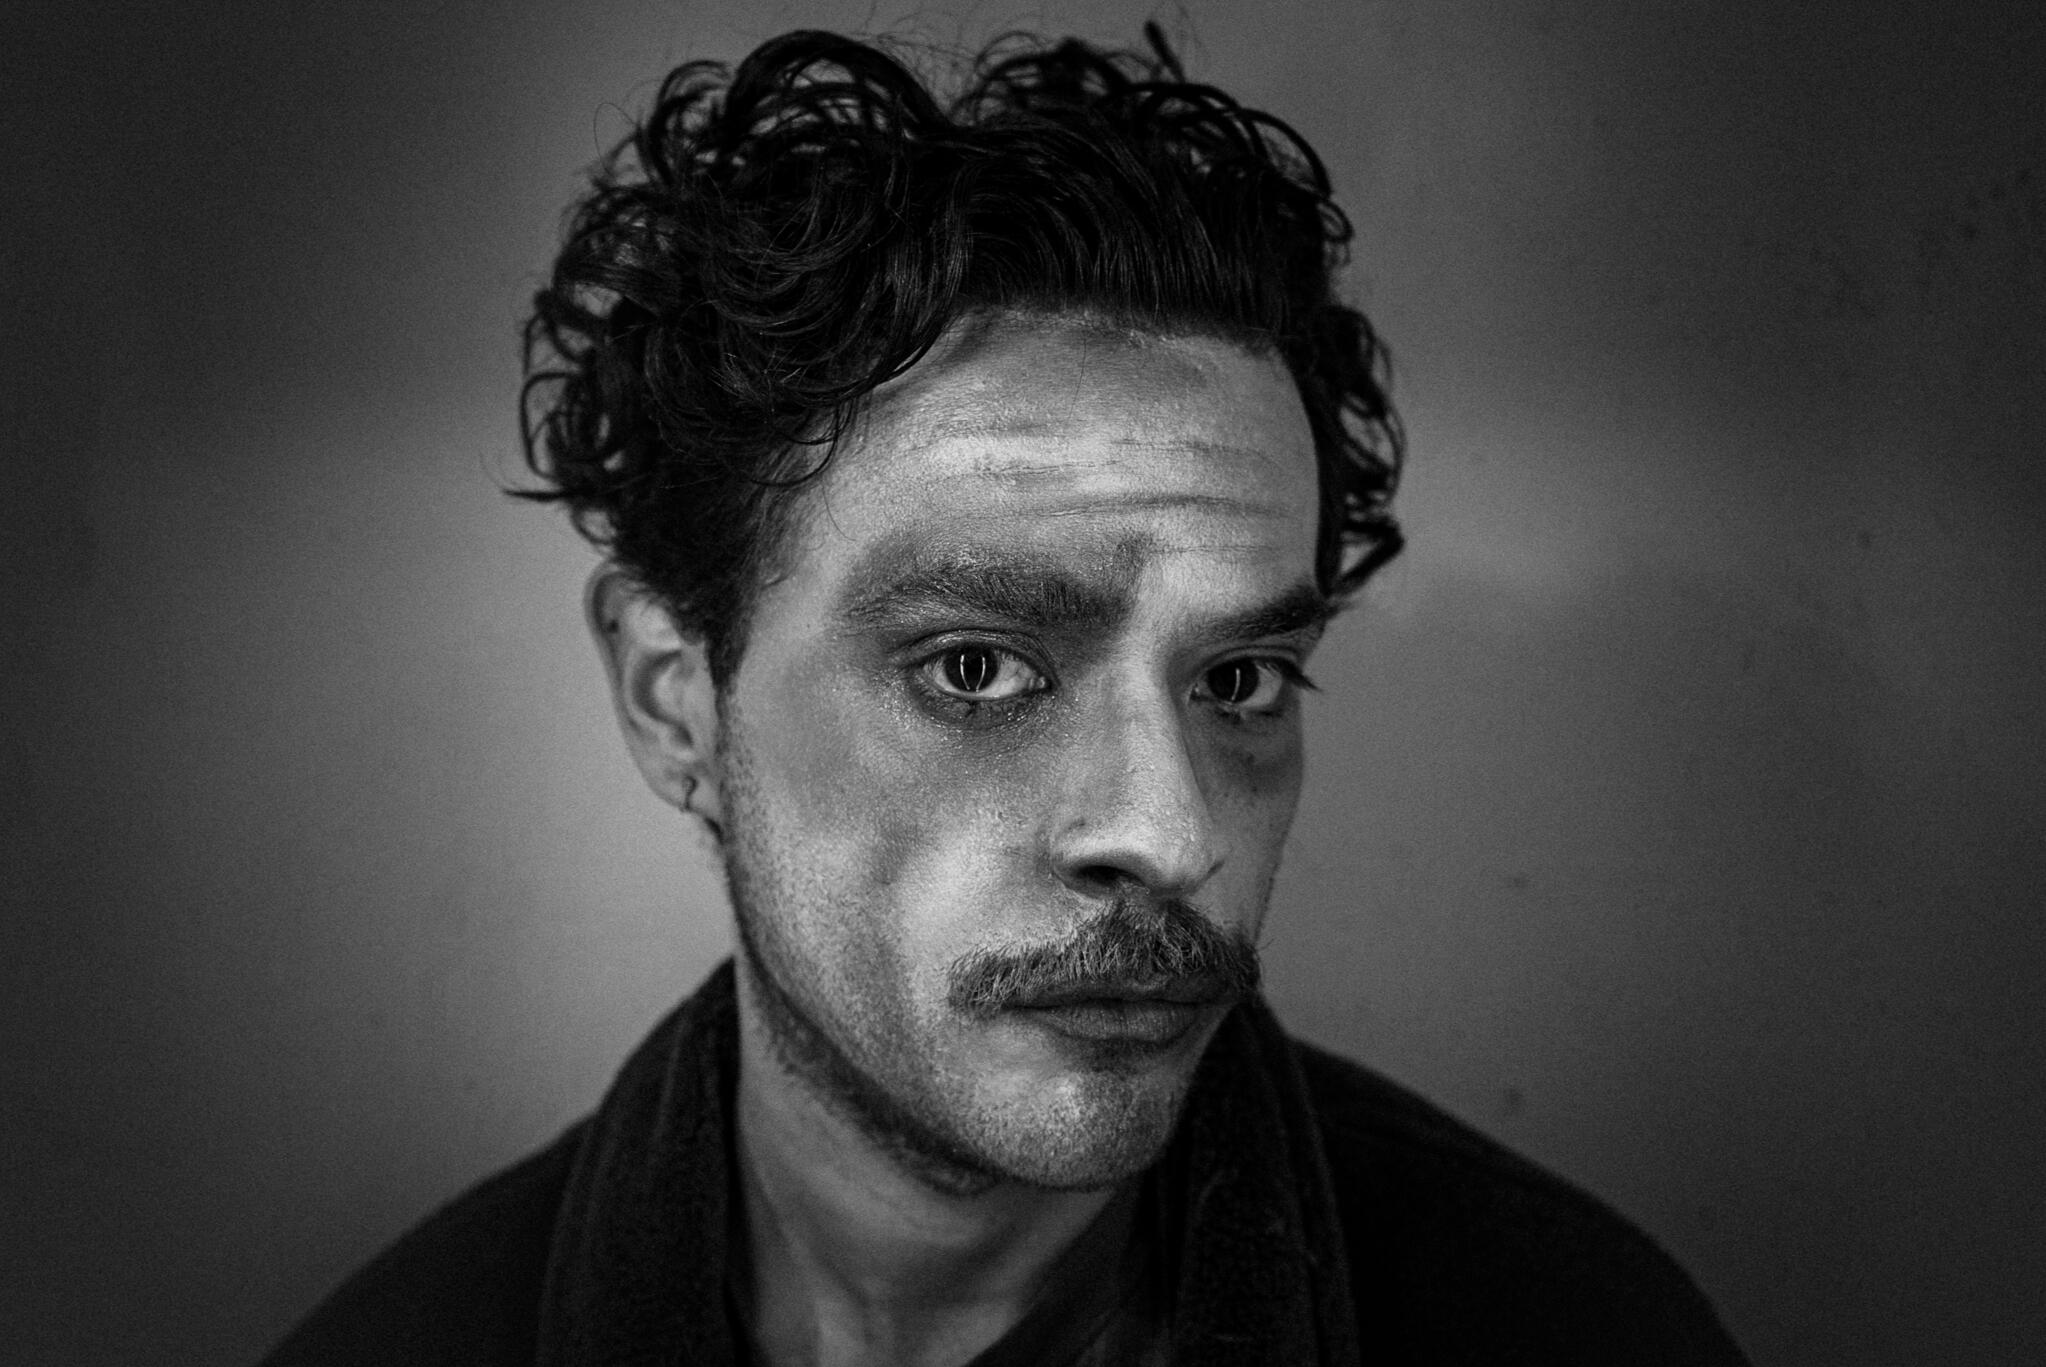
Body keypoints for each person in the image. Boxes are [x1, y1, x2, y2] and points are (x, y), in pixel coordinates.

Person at [264, 26, 1747, 1367]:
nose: (1171, 835)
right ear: (676, 704)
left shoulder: (1575, 1333)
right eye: (976, 669)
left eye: (1237, 680)